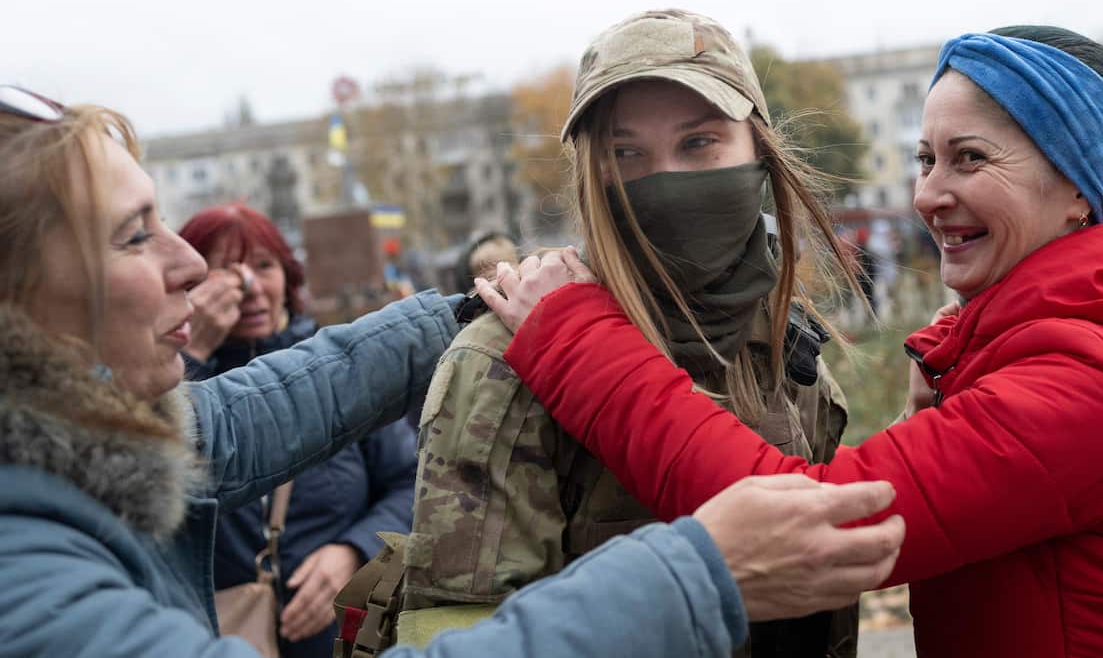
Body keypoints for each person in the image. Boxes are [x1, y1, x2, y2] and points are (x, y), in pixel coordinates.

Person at [0, 84, 903, 658]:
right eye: (132, 234)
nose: (188, 265)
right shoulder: (26, 576)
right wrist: (697, 573)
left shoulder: (78, 427)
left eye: (701, 142)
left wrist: (468, 306)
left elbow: (247, 414)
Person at [480, 27, 1103, 658]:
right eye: (925, 158)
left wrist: (575, 338)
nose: (928, 193)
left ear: (1074, 191)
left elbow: (815, 526)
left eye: (970, 158)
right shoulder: (1049, 339)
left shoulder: (1091, 374)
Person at [401, 9, 896, 657]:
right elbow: (456, 628)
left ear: (758, 152)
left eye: (699, 142)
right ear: (592, 174)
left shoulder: (787, 356)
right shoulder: (503, 366)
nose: (664, 180)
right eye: (626, 152)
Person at [178, 203, 419, 658]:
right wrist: (190, 355)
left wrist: (354, 551)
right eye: (222, 271)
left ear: (288, 278)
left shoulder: (338, 370)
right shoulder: (160, 384)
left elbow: (410, 482)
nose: (247, 286)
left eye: (263, 266)